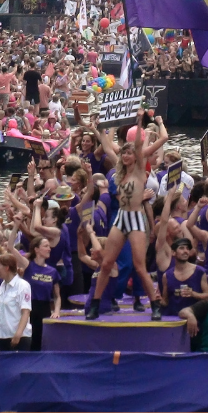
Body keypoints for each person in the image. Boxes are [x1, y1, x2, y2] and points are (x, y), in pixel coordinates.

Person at [85, 108, 167, 321]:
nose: (127, 155)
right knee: (106, 263)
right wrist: (99, 128)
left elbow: (140, 146)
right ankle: (96, 303)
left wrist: (140, 122)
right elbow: (105, 145)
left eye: (130, 153)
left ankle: (155, 304)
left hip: (136, 218)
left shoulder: (140, 169)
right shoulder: (119, 170)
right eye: (125, 153)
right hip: (121, 218)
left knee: (139, 266)